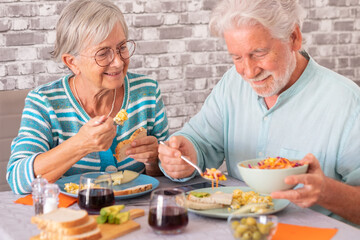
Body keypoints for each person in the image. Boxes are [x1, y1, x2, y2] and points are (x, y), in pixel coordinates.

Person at [158, 0, 360, 225]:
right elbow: (199, 141)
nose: (248, 71)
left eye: (259, 53)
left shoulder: (347, 102)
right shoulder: (232, 84)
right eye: (236, 57)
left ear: (294, 37)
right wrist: (185, 154)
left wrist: (326, 192)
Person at [7, 0, 169, 195]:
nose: (118, 62)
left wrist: (154, 160)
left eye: (122, 48)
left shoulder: (147, 92)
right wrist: (80, 144)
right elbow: (18, 181)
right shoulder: (45, 102)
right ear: (72, 62)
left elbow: (167, 174)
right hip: (71, 216)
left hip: (136, 214)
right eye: (103, 53)